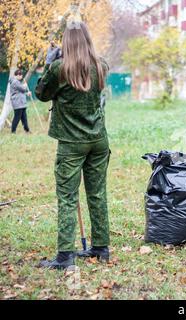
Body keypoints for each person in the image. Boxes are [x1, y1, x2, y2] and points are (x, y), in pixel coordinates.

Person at [35, 21, 110, 270]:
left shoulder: (59, 68)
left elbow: (41, 93)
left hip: (71, 143)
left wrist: (49, 63)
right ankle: (101, 248)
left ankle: (65, 256)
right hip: (98, 140)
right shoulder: (101, 65)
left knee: (67, 198)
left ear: (67, 42)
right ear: (87, 39)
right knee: (97, 194)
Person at [9, 69, 32, 134]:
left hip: (21, 103)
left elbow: (19, 92)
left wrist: (27, 94)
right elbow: (22, 89)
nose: (21, 77)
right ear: (18, 75)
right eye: (21, 75)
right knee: (17, 118)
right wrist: (25, 85)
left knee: (24, 118)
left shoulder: (17, 82)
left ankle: (27, 130)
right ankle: (13, 131)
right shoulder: (15, 82)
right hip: (18, 103)